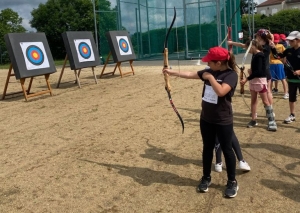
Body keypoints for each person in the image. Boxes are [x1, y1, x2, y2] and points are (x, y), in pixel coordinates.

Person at [162, 46, 239, 198]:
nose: (207, 64)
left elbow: (222, 91)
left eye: (210, 62)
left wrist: (210, 78)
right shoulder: (209, 70)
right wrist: (172, 72)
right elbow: (191, 74)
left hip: (223, 119)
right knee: (207, 148)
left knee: (227, 149)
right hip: (206, 118)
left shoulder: (230, 75)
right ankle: (206, 177)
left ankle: (232, 181)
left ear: (218, 63)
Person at [228, 29, 274, 118]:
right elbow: (244, 46)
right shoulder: (266, 45)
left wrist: (232, 43)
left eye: (257, 36)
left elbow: (244, 46)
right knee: (263, 93)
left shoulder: (260, 47)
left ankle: (269, 112)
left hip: (261, 73)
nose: (255, 37)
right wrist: (232, 43)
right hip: (259, 72)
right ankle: (259, 113)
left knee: (266, 92)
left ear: (260, 37)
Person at [240, 40, 277, 131]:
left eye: (248, 48)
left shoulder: (260, 55)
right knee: (253, 100)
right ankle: (253, 120)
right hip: (254, 80)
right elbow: (256, 69)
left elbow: (260, 71)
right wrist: (250, 72)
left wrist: (247, 78)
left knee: (265, 101)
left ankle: (272, 121)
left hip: (260, 81)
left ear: (252, 46)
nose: (247, 51)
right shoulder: (255, 55)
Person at [269, 31, 300, 124]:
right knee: (291, 98)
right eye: (289, 40)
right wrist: (273, 48)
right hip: (291, 79)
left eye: (292, 41)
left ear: (298, 40)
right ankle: (292, 115)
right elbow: (277, 56)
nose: (289, 42)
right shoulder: (289, 50)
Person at [270, 33, 288, 99]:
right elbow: (285, 55)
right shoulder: (281, 46)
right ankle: (285, 93)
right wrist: (284, 61)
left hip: (271, 63)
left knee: (271, 79)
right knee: (283, 79)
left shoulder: (269, 46)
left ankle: (270, 93)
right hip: (279, 63)